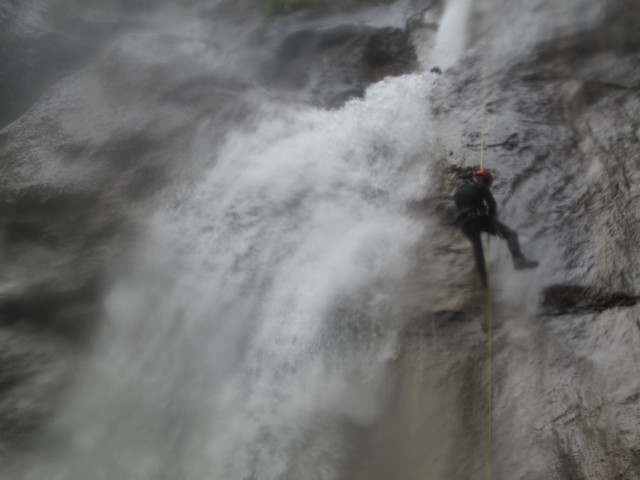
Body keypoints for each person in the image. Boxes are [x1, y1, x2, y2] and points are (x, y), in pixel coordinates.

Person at [454, 169, 538, 288]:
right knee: (510, 235)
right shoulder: (481, 186)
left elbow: (467, 202)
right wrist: (491, 219)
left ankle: (484, 281)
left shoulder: (459, 191)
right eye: (488, 184)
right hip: (478, 218)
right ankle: (518, 260)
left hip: (464, 223)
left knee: (478, 249)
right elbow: (491, 203)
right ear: (483, 180)